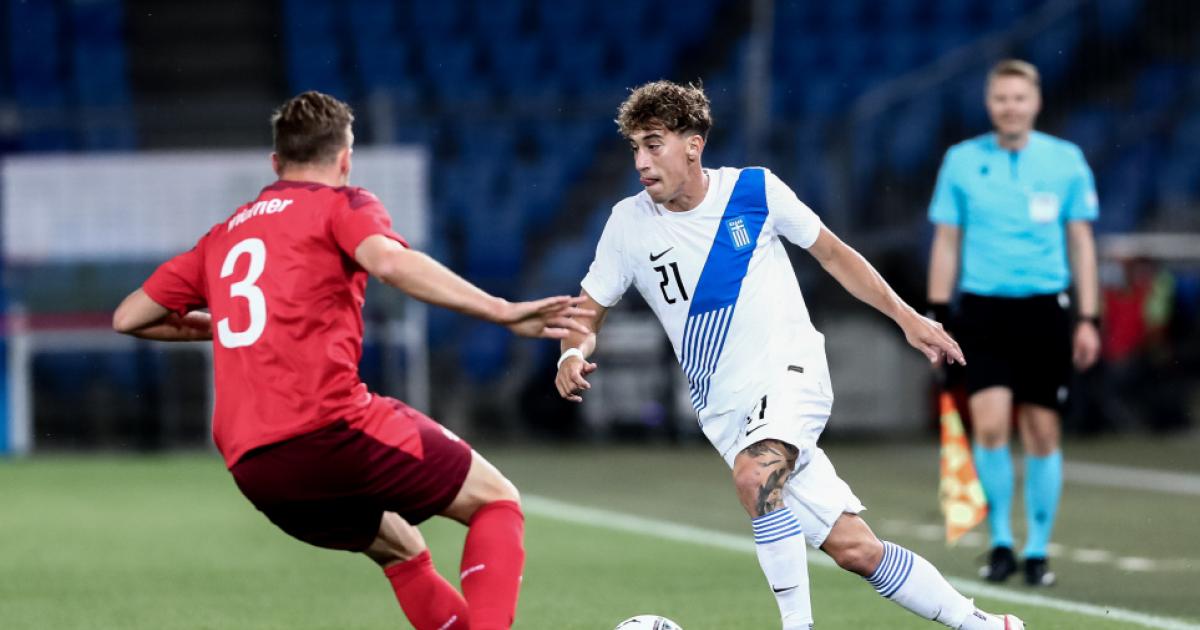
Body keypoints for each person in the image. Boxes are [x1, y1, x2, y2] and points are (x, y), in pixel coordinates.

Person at [112, 91, 592, 630]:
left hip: (253, 465)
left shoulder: (223, 236)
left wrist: (228, 325)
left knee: (402, 548)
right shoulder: (342, 204)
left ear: (276, 162)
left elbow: (130, 317)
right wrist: (501, 310)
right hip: (327, 429)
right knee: (496, 501)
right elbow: (388, 262)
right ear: (345, 158)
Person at [555, 80, 1025, 630]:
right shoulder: (627, 223)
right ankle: (984, 625)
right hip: (724, 411)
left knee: (756, 475)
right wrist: (571, 353)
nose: (641, 161)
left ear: (693, 145)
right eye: (635, 147)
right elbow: (586, 311)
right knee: (855, 548)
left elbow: (834, 254)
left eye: (653, 144)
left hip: (790, 374)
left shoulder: (754, 191)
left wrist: (907, 317)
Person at [926, 60, 1101, 587]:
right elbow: (947, 242)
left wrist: (1088, 318)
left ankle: (1038, 550)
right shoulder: (961, 161)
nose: (1010, 107)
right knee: (990, 426)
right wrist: (937, 314)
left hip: (1046, 310)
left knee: (1043, 432)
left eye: (1019, 98)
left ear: (1036, 102)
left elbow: (1082, 244)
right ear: (989, 103)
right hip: (983, 311)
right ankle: (1002, 541)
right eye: (1001, 98)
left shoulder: (1065, 161)